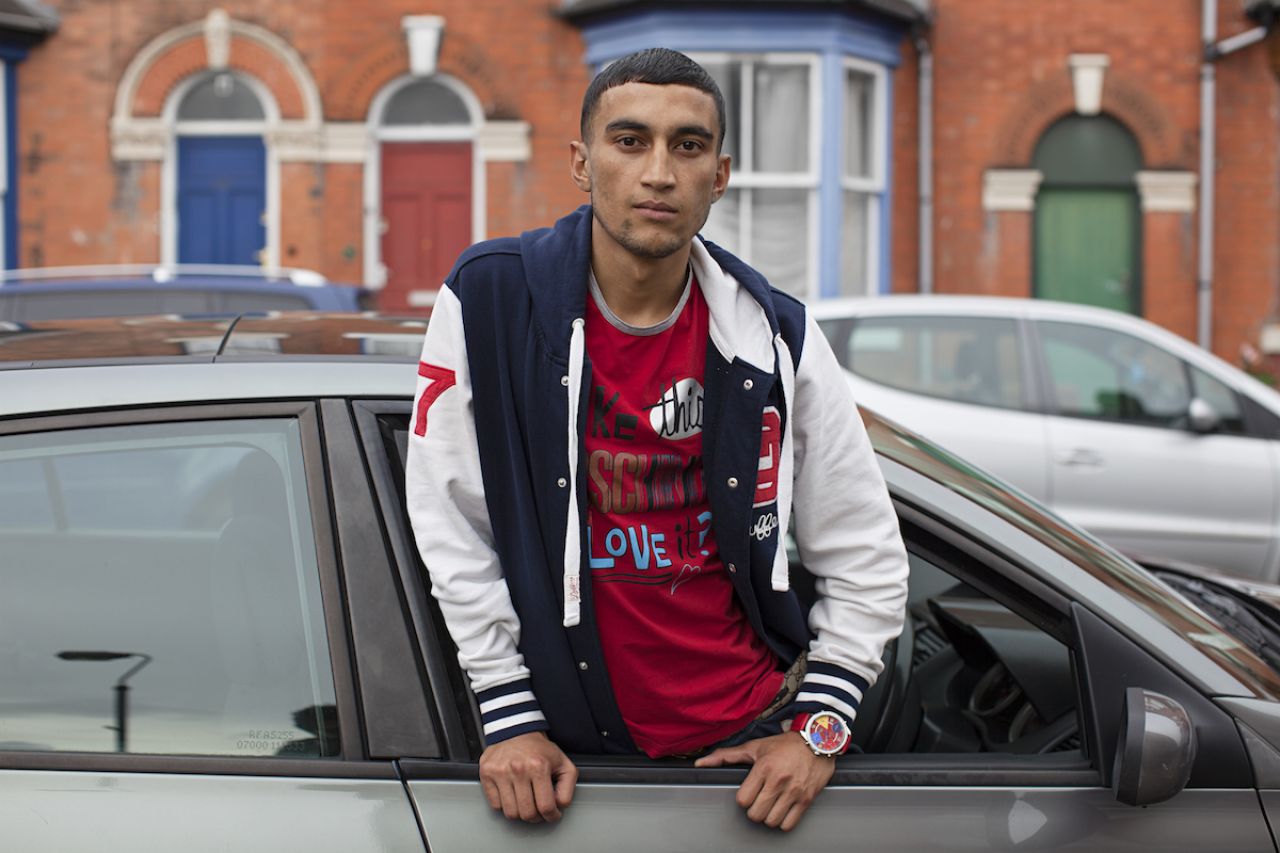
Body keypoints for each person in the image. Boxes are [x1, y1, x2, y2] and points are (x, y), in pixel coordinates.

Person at [406, 47, 908, 833]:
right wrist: (507, 710)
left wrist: (818, 729)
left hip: (750, 744)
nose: (660, 173)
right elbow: (450, 520)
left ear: (722, 173)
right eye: (630, 140)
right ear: (581, 161)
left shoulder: (770, 333)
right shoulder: (492, 299)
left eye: (688, 146)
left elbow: (865, 549)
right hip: (566, 756)